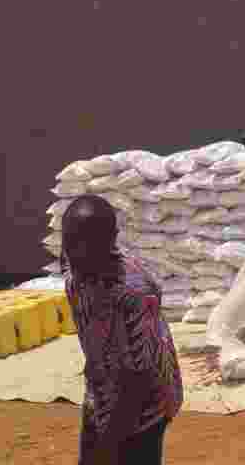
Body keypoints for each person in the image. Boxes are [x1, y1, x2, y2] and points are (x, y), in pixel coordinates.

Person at [61, 195, 182, 465]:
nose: (79, 252)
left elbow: (136, 382)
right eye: (71, 241)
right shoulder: (74, 264)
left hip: (147, 402)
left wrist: (109, 446)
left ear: (112, 239)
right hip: (103, 386)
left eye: (90, 244)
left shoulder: (134, 294)